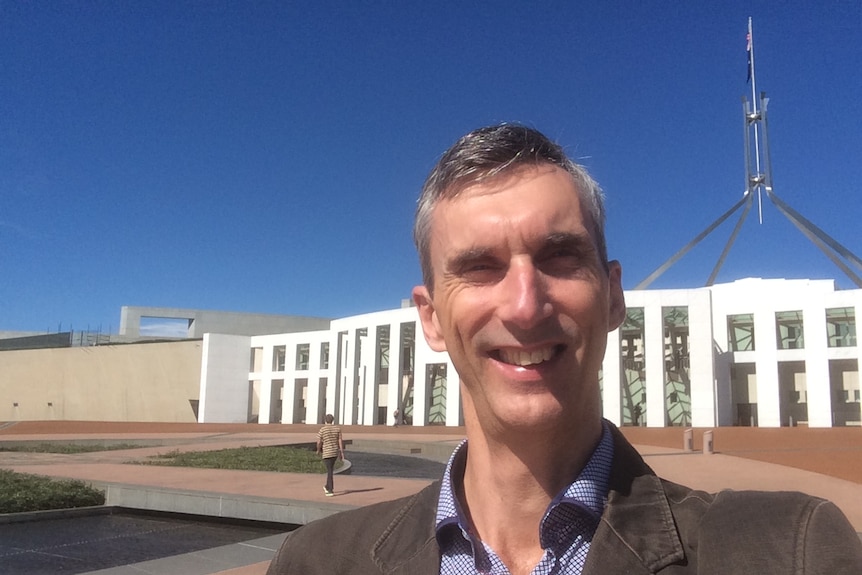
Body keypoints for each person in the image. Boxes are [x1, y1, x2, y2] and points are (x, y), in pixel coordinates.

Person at [268, 124, 862, 574]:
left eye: (560, 257)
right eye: (480, 267)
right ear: (432, 320)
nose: (525, 305)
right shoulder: (317, 563)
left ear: (612, 297)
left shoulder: (784, 551)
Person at [317, 413, 344, 496]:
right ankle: (327, 486)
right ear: (332, 420)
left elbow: (319, 441)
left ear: (325, 420)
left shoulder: (322, 430)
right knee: (330, 470)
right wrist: (341, 452)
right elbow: (340, 441)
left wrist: (318, 450)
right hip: (334, 452)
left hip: (326, 452)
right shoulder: (337, 429)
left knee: (329, 471)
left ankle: (330, 490)